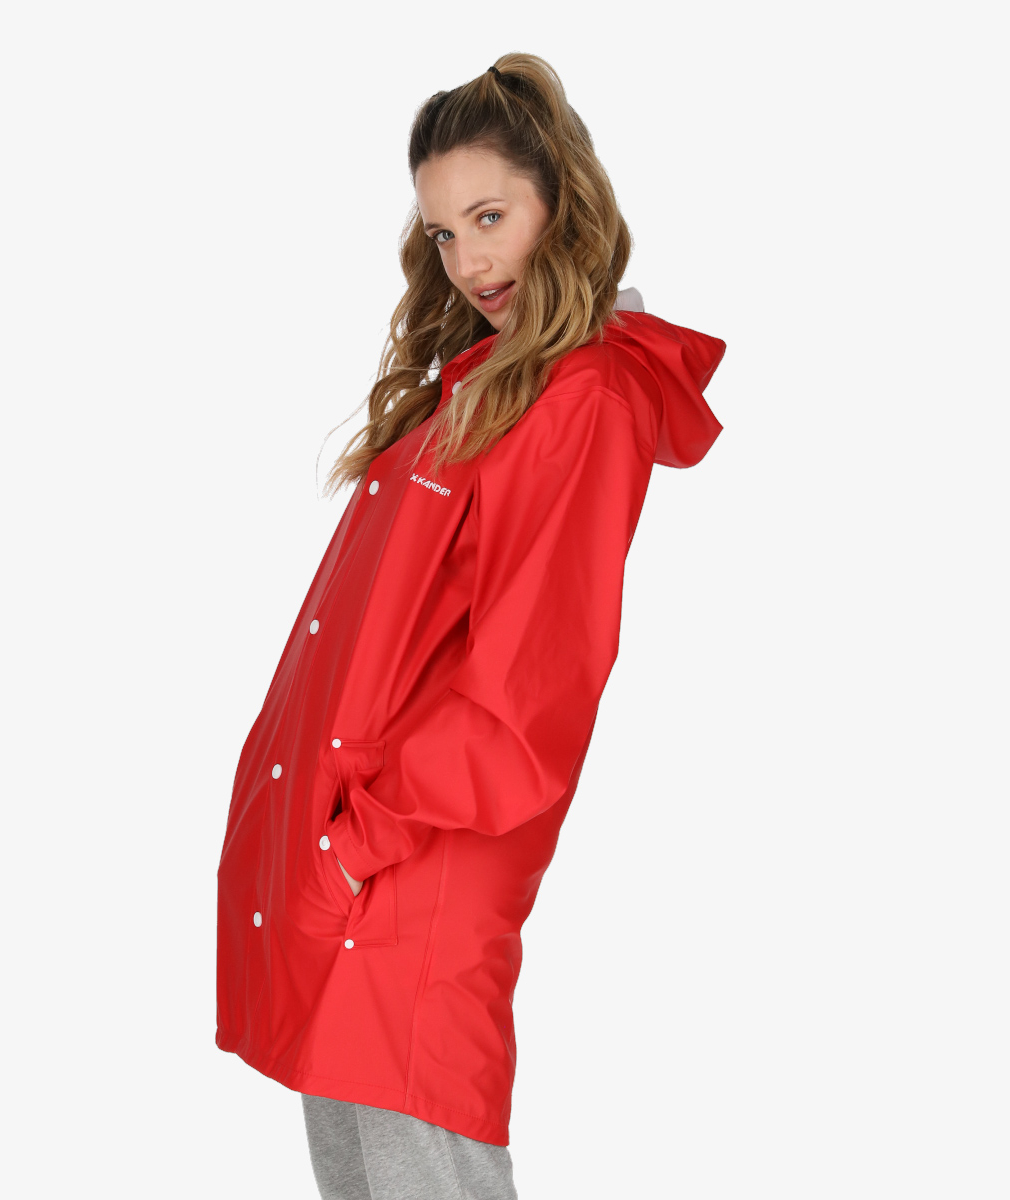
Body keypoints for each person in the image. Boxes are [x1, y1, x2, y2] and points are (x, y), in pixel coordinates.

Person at [215, 53, 725, 1200]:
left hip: (408, 883)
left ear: (562, 200)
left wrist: (349, 847)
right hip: (359, 879)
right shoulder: (489, 382)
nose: (470, 261)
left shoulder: (583, 399)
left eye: (491, 217)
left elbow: (525, 698)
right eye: (445, 232)